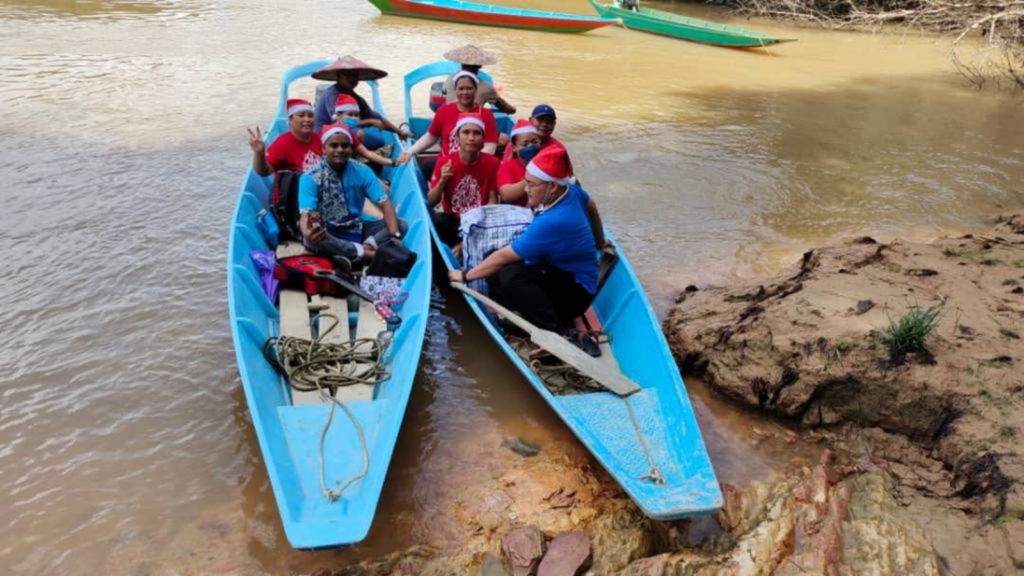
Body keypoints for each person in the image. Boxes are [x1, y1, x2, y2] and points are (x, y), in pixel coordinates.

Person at [448, 146, 612, 347]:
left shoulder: (553, 220)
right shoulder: (570, 190)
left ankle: (555, 332)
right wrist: (599, 241)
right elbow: (592, 206)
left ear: (552, 186)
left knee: (508, 274)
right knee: (493, 263)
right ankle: (529, 315)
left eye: (531, 185)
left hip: (575, 296)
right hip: (564, 274)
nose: (526, 189)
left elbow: (504, 257)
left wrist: (464, 276)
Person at [298, 123, 406, 266]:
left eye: (345, 145)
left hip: (357, 228)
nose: (340, 150)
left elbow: (385, 203)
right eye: (334, 145)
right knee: (311, 239)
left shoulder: (362, 171)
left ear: (351, 148)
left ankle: (358, 250)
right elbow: (308, 213)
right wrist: (308, 232)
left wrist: (395, 235)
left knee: (401, 225)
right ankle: (369, 254)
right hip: (328, 232)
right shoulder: (311, 177)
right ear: (324, 149)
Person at [427, 114, 501, 249]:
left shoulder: (493, 163)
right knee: (436, 221)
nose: (471, 138)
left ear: (483, 139)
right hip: (454, 220)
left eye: (476, 133)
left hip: (480, 221)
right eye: (466, 132)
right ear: (457, 137)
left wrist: (473, 234)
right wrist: (443, 180)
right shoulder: (445, 162)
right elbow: (432, 201)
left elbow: (492, 202)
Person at [397, 71, 499, 167]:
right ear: (455, 91)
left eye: (469, 88)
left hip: (474, 165)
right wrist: (410, 151)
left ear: (475, 90)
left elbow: (490, 146)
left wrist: (470, 163)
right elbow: (431, 137)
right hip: (446, 165)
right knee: (426, 167)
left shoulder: (486, 114)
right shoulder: (444, 111)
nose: (465, 92)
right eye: (461, 89)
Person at [311, 56, 414, 144]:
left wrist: (400, 132)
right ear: (339, 76)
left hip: (341, 135)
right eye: (348, 75)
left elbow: (379, 118)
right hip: (323, 137)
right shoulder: (331, 95)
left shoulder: (356, 98)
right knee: (361, 134)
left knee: (379, 141)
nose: (352, 78)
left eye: (355, 75)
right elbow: (340, 123)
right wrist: (371, 121)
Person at [248, 98, 321, 176]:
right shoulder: (282, 144)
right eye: (301, 115)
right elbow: (264, 171)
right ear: (290, 120)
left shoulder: (321, 139)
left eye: (310, 116)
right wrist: (259, 153)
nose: (307, 119)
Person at [441, 44, 516, 115]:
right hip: (473, 125)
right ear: (480, 66)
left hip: (449, 119)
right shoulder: (487, 88)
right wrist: (513, 109)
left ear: (461, 63)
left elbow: (444, 94)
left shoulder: (450, 78)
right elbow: (506, 108)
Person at [333, 94, 396, 170]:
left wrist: (393, 163)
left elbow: (367, 153)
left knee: (376, 164)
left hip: (348, 162)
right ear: (338, 114)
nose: (353, 118)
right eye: (350, 114)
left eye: (356, 115)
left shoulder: (349, 132)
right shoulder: (332, 133)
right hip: (337, 167)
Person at [497, 119, 542, 206]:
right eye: (525, 144)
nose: (531, 146)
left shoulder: (546, 163)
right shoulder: (508, 167)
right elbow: (505, 195)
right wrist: (532, 179)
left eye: (534, 142)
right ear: (514, 147)